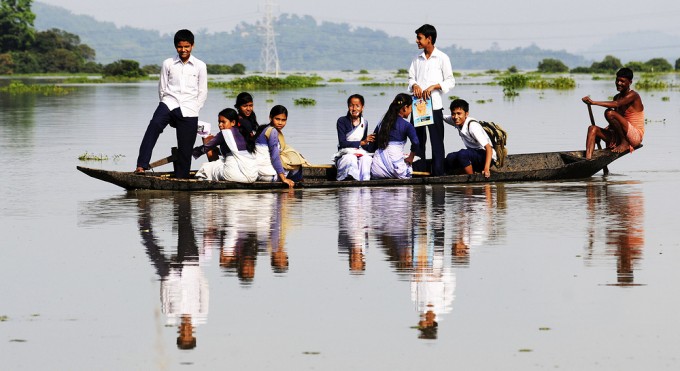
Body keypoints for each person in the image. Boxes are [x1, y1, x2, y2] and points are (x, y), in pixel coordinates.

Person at [134, 29, 208, 179]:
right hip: (168, 103)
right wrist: (165, 104)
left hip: (189, 108)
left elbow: (202, 92)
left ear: (192, 46)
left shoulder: (200, 66)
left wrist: (194, 108)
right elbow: (162, 88)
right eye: (180, 47)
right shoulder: (168, 63)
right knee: (153, 126)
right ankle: (141, 165)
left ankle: (181, 178)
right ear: (176, 47)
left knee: (185, 148)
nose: (183, 50)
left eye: (186, 46)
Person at [408, 24, 456, 176]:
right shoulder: (417, 59)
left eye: (419, 38)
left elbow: (450, 81)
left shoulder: (442, 58)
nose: (417, 41)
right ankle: (419, 172)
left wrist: (435, 86)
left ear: (429, 39)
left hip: (434, 106)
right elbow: (410, 78)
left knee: (436, 142)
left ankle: (438, 174)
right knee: (417, 142)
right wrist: (414, 85)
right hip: (418, 106)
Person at [581, 67, 644, 160]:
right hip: (620, 135)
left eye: (622, 81)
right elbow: (617, 120)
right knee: (592, 129)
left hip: (634, 137)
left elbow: (616, 104)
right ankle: (588, 159)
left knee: (609, 113)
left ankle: (624, 143)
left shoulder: (634, 95)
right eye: (617, 80)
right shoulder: (617, 97)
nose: (619, 83)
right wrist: (601, 133)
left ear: (630, 82)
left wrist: (593, 102)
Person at [193, 108, 258, 182]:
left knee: (205, 168)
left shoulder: (225, 133)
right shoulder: (244, 133)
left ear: (233, 122)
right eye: (219, 122)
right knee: (219, 163)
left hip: (234, 175)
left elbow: (205, 148)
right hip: (253, 175)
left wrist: (190, 152)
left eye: (223, 122)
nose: (220, 125)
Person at [369, 93, 420, 179]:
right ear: (405, 108)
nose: (411, 111)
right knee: (410, 167)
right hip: (396, 171)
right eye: (411, 108)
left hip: (377, 169)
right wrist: (411, 157)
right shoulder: (407, 125)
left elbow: (372, 144)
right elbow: (416, 143)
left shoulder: (381, 123)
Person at [443, 99, 497, 178]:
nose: (456, 117)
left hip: (486, 156)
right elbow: (439, 115)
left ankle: (471, 178)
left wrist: (486, 169)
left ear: (466, 114)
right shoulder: (454, 120)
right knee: (450, 157)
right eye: (453, 114)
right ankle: (468, 171)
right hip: (473, 155)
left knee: (462, 154)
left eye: (459, 114)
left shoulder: (472, 126)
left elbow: (489, 148)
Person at [255, 105, 306, 188]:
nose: (280, 123)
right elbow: (275, 156)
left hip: (259, 172)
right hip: (268, 175)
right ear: (270, 118)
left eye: (283, 120)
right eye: (277, 119)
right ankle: (295, 189)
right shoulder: (273, 131)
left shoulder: (264, 128)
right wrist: (284, 179)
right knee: (298, 167)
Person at [333, 94, 374, 181]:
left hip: (359, 152)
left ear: (362, 107)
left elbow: (364, 145)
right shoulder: (342, 121)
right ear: (348, 107)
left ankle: (365, 183)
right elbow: (342, 143)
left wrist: (373, 144)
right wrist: (361, 142)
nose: (354, 109)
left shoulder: (364, 123)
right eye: (351, 106)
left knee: (367, 159)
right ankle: (349, 179)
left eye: (357, 106)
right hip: (345, 154)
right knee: (350, 158)